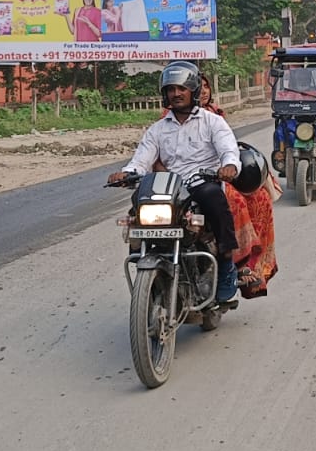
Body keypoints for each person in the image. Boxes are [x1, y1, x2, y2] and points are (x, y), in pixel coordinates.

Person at [112, 62, 243, 302]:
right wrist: (127, 173)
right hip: (170, 187)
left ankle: (226, 263)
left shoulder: (212, 122)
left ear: (193, 91)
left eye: (182, 88)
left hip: (201, 182)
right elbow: (141, 159)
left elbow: (228, 150)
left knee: (213, 196)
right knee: (138, 200)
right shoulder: (157, 129)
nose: (176, 93)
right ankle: (140, 254)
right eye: (171, 89)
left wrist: (230, 166)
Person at [195, 76, 280, 299]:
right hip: (189, 179)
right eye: (198, 87)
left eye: (206, 86)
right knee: (235, 201)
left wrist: (230, 165)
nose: (203, 91)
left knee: (261, 197)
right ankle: (237, 260)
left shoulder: (215, 115)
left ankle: (252, 266)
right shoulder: (169, 120)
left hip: (218, 174)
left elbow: (228, 147)